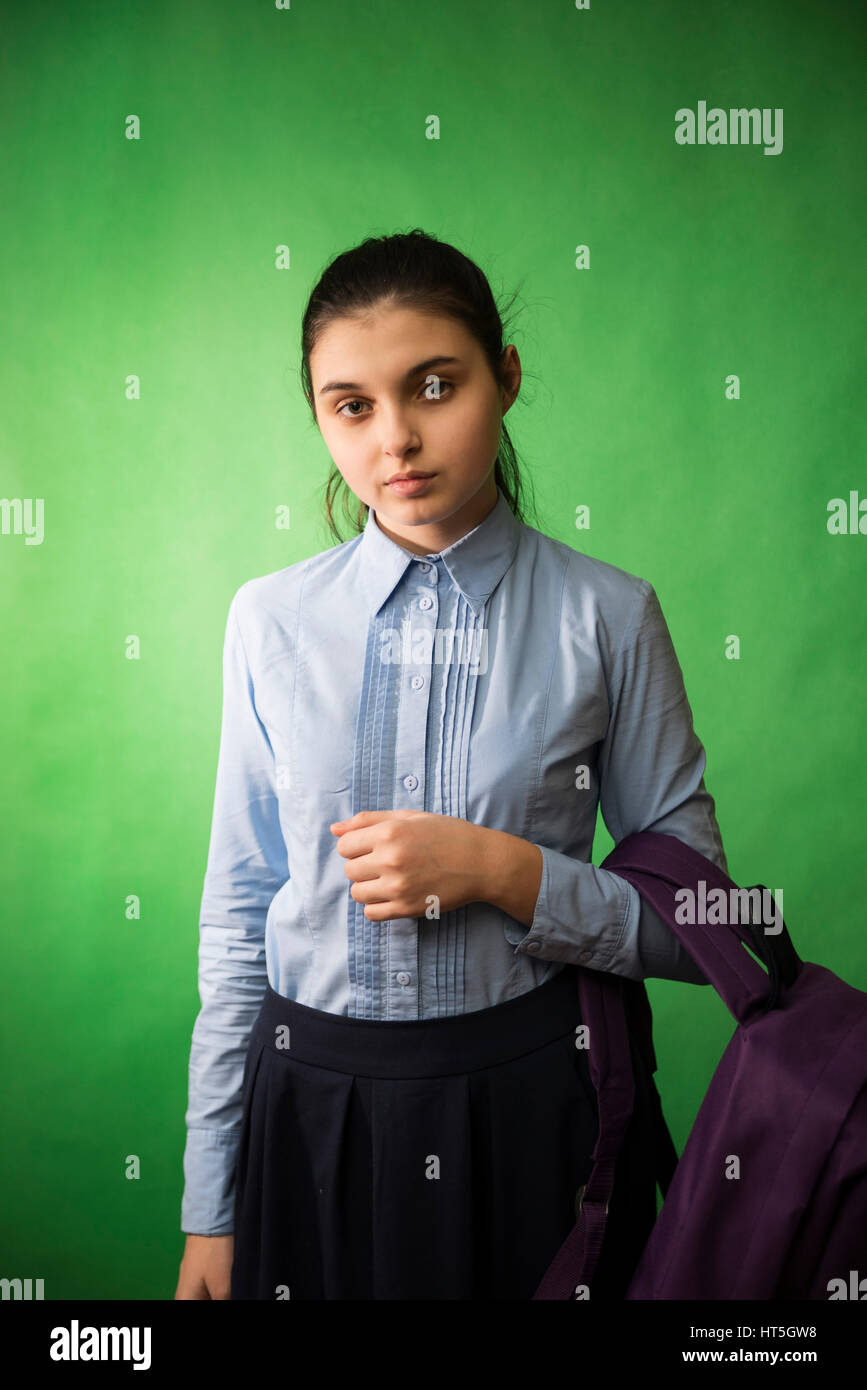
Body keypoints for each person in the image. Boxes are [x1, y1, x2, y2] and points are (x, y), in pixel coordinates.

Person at [174, 228, 728, 1301]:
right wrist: (211, 1200)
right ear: (322, 417)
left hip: (538, 1111)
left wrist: (505, 872)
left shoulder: (609, 615)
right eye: (352, 405)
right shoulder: (268, 620)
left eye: (435, 385)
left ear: (506, 378)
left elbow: (713, 920)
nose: (397, 441)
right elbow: (238, 921)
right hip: (310, 1113)